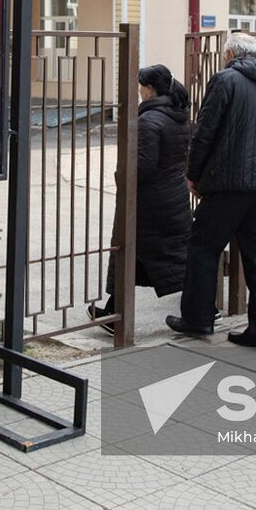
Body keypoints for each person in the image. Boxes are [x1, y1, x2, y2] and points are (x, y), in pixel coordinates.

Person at [166, 31, 256, 348]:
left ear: (230, 54)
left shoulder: (226, 80)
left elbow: (205, 131)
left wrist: (193, 174)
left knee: (202, 248)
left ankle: (198, 319)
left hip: (229, 184)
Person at [87, 64, 191, 333]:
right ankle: (113, 311)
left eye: (140, 86)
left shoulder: (149, 121)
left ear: (150, 89)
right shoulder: (178, 114)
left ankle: (202, 310)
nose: (138, 91)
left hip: (150, 202)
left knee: (132, 248)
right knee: (163, 254)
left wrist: (121, 175)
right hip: (174, 197)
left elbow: (143, 167)